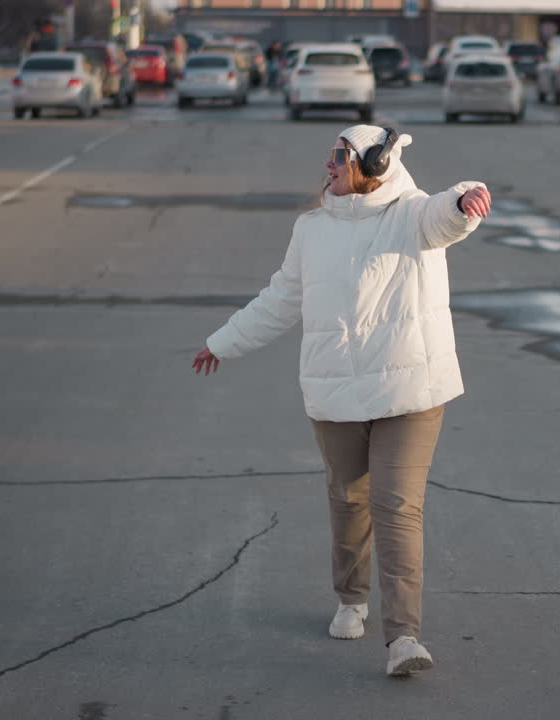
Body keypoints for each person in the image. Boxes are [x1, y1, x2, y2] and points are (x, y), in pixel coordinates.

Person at [191, 125, 493, 677]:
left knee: (397, 506)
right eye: (329, 155)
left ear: (373, 163)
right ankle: (351, 598)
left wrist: (465, 201)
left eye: (338, 155)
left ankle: (404, 638)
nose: (327, 164)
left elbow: (445, 215)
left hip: (410, 390)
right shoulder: (311, 229)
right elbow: (281, 299)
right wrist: (223, 342)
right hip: (336, 391)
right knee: (348, 499)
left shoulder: (411, 215)